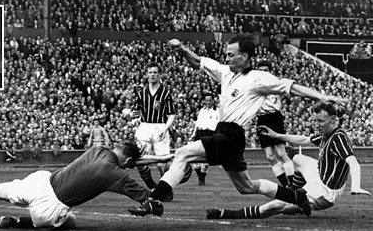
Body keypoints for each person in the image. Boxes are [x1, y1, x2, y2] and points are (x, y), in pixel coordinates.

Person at [128, 35, 346, 217]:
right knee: (247, 187)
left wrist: (323, 95)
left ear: (245, 57)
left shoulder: (259, 78)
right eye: (226, 54)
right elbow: (198, 62)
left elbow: (294, 88)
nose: (227, 57)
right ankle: (295, 196)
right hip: (225, 134)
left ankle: (154, 200)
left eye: (231, 54)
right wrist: (183, 49)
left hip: (232, 135)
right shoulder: (224, 71)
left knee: (184, 153)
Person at [0, 141, 173, 230]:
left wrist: (157, 157)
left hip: (39, 181)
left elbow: (126, 158)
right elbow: (150, 200)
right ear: (127, 160)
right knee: (69, 222)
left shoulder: (99, 149)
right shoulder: (118, 175)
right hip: (51, 206)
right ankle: (16, 222)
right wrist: (155, 203)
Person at [207, 102, 370, 219]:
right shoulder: (327, 134)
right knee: (298, 158)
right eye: (315, 120)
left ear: (334, 119)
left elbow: (353, 162)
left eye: (321, 121)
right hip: (318, 175)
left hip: (325, 192)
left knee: (276, 206)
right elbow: (304, 140)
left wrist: (356, 186)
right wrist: (277, 136)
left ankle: (228, 214)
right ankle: (295, 194)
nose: (317, 124)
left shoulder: (338, 138)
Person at [127, 63, 176, 193]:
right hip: (144, 127)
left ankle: (166, 189)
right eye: (150, 72)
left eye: (155, 72)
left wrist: (165, 129)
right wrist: (130, 114)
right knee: (140, 161)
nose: (152, 75)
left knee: (162, 164)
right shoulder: (141, 91)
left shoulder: (165, 92)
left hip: (160, 127)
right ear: (147, 74)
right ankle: (152, 186)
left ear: (159, 75)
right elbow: (134, 112)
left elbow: (171, 114)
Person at [255, 61, 295, 188]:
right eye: (261, 70)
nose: (264, 72)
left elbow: (290, 89)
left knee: (282, 153)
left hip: (274, 117)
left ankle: (294, 184)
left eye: (266, 70)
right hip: (261, 119)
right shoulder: (254, 85)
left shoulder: (277, 83)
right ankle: (285, 185)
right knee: (270, 156)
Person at [189, 93, 221, 186]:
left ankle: (202, 178)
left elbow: (219, 125)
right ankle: (201, 179)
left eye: (210, 100)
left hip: (210, 134)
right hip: (199, 134)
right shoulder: (202, 110)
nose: (208, 102)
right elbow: (197, 124)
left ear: (213, 101)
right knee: (195, 161)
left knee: (207, 162)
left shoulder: (218, 111)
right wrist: (193, 134)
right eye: (206, 100)